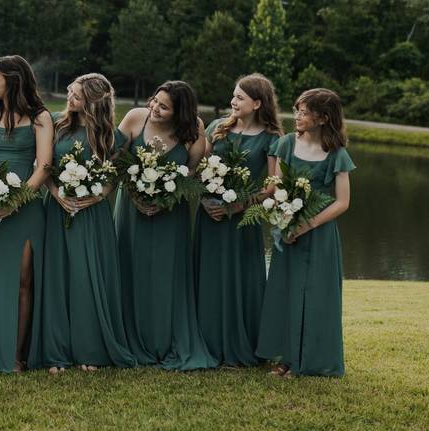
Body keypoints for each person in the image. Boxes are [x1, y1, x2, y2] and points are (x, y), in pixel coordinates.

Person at [115, 80, 217, 370]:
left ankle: (164, 340)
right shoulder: (135, 118)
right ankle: (128, 338)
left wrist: (166, 199)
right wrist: (135, 195)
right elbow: (116, 160)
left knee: (165, 275)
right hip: (131, 211)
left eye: (163, 107)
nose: (154, 109)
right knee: (130, 269)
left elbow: (193, 173)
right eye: (154, 101)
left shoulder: (194, 129)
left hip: (171, 215)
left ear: (179, 112)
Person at [256, 88, 355, 377]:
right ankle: (286, 359)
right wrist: (284, 219)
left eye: (303, 112)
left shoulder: (336, 154)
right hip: (288, 230)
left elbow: (343, 202)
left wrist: (307, 224)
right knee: (285, 292)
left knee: (316, 296)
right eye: (296, 110)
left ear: (323, 118)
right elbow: (280, 188)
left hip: (320, 234)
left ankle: (313, 360)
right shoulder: (286, 145)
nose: (297, 116)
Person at [40, 73, 135, 373]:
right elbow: (43, 167)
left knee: (87, 278)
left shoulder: (110, 135)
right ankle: (56, 353)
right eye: (70, 91)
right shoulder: (55, 125)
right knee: (58, 277)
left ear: (94, 102)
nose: (70, 98)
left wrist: (99, 195)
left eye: (77, 95)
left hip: (93, 215)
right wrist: (57, 194)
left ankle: (90, 349)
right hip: (57, 210)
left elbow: (119, 172)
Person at [194, 74, 282, 367]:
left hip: (243, 220)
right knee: (208, 276)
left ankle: (240, 344)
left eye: (240, 97)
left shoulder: (271, 139)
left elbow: (272, 185)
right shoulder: (217, 128)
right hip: (209, 216)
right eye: (233, 96)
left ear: (257, 103)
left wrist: (241, 204)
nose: (233, 101)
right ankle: (206, 342)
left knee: (239, 279)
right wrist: (206, 201)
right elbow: (201, 167)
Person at [0, 55, 53, 372]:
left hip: (25, 209)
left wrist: (14, 203)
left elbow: (45, 167)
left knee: (23, 281)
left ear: (13, 79)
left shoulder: (40, 117)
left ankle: (17, 355)